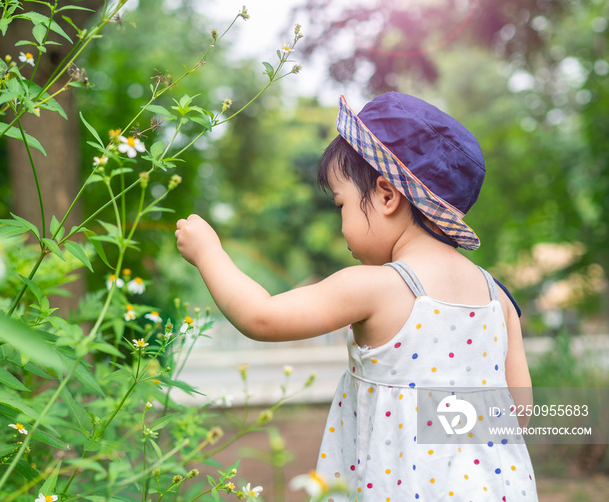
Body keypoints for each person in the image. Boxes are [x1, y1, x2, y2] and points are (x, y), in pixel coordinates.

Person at [175, 92, 538, 501]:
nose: (341, 221)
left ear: (387, 196)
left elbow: (261, 317)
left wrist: (208, 253)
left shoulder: (378, 285)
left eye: (341, 203)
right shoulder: (497, 298)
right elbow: (518, 410)